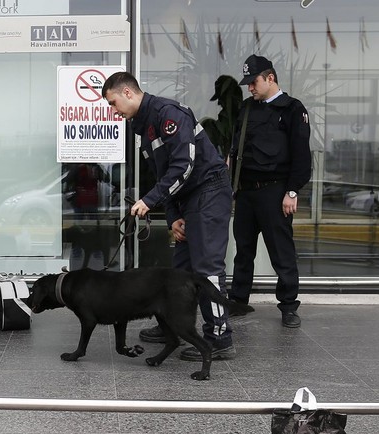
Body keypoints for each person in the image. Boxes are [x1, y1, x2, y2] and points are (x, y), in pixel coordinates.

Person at [102, 71, 235, 362]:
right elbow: (165, 174)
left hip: (209, 191)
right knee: (181, 271)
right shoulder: (145, 126)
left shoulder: (168, 114)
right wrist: (173, 216)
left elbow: (183, 165)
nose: (113, 111)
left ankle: (219, 337)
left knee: (206, 267)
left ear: (127, 93)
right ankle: (174, 326)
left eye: (113, 103)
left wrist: (149, 201)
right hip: (187, 198)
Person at [228, 55, 311, 328]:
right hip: (246, 193)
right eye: (248, 84)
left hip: (275, 193)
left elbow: (301, 156)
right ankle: (238, 301)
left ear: (270, 77)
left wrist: (292, 192)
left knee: (281, 253)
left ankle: (288, 306)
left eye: (254, 82)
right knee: (243, 251)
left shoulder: (292, 109)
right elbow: (235, 150)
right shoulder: (247, 108)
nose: (250, 88)